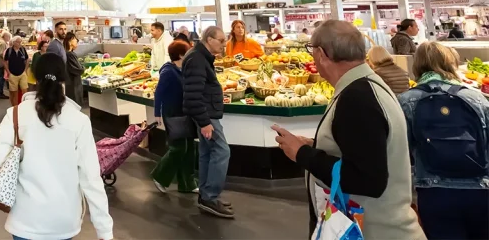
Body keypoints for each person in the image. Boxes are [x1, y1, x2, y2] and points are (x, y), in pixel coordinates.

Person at [271, 21, 424, 240]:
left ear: (322, 54)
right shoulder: (365, 86)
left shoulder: (357, 98)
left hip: (374, 231)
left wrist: (302, 154)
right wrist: (316, 146)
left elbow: (367, 178)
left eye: (311, 50)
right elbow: (366, 151)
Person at [0, 54, 114, 240]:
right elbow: (91, 178)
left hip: (25, 220)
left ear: (33, 77)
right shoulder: (79, 121)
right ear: (63, 79)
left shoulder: (16, 114)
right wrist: (104, 231)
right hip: (64, 221)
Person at [398, 42, 489, 240]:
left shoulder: (406, 101)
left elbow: (400, 153)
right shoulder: (477, 98)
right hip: (480, 190)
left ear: (417, 64)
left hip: (435, 191)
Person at [183, 25, 233, 218]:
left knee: (207, 152)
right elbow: (193, 95)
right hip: (207, 115)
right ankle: (210, 196)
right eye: (220, 41)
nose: (224, 44)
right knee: (221, 151)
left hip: (205, 114)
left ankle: (206, 196)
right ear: (208, 39)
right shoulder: (197, 59)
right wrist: (204, 122)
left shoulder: (200, 56)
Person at [152, 39, 197, 194]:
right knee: (178, 148)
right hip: (173, 114)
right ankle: (159, 176)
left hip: (185, 113)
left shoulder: (183, 69)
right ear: (180, 55)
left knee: (190, 148)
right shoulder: (168, 71)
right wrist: (157, 113)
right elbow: (159, 92)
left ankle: (187, 184)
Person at [3, 36, 30, 106]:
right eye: (18, 42)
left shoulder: (23, 50)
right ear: (14, 42)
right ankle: (15, 108)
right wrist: (8, 72)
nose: (19, 43)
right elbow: (4, 61)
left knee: (25, 91)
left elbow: (27, 59)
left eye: (20, 42)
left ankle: (24, 106)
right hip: (12, 74)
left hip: (22, 73)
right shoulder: (9, 51)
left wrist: (25, 69)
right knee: (14, 93)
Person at [63, 32, 83, 105]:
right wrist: (83, 67)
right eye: (74, 39)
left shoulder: (67, 53)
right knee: (75, 105)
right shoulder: (70, 55)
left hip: (70, 84)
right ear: (69, 41)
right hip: (74, 84)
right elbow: (79, 70)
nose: (76, 41)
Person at [0, 31, 12, 99]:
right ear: (5, 36)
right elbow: (2, 53)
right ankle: (0, 93)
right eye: (8, 37)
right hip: (2, 63)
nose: (9, 38)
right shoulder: (2, 43)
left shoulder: (0, 41)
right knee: (1, 78)